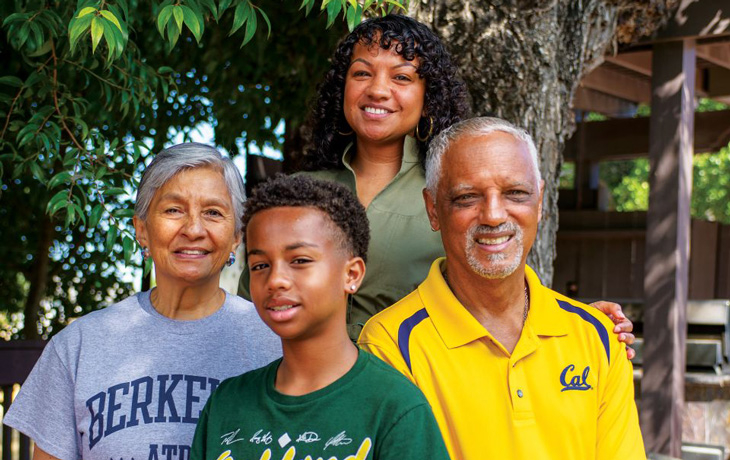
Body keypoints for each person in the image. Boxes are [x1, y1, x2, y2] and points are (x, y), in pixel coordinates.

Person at [237, 14, 636, 347]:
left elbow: (501, 285)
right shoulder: (298, 193)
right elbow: (251, 302)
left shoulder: (456, 195)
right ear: (342, 88)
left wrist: (582, 321)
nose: (378, 89)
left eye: (402, 78)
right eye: (362, 73)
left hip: (419, 395)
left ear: (429, 96)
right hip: (300, 392)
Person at [359, 117, 645, 460]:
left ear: (540, 202)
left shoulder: (596, 338)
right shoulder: (390, 346)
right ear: (433, 209)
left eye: (515, 193)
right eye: (467, 197)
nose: (494, 215)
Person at [3, 144, 282, 460]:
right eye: (173, 210)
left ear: (236, 235)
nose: (193, 229)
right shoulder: (79, 347)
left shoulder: (276, 343)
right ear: (142, 230)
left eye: (213, 212)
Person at [191, 175, 449, 460]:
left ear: (351, 275)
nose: (275, 280)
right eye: (260, 264)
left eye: (300, 260)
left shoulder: (396, 408)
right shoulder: (226, 404)